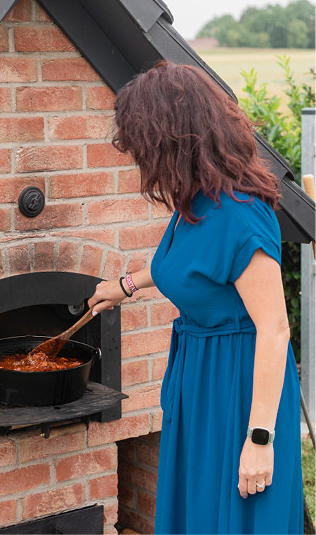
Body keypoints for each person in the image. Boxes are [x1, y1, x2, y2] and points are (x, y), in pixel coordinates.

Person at [87, 61, 303, 534]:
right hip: (200, 380)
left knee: (236, 516)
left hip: (242, 388)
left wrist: (260, 439)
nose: (140, 161)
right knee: (199, 514)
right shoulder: (196, 199)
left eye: (143, 148)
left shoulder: (241, 215)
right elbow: (186, 268)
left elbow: (275, 329)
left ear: (172, 140)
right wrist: (125, 287)